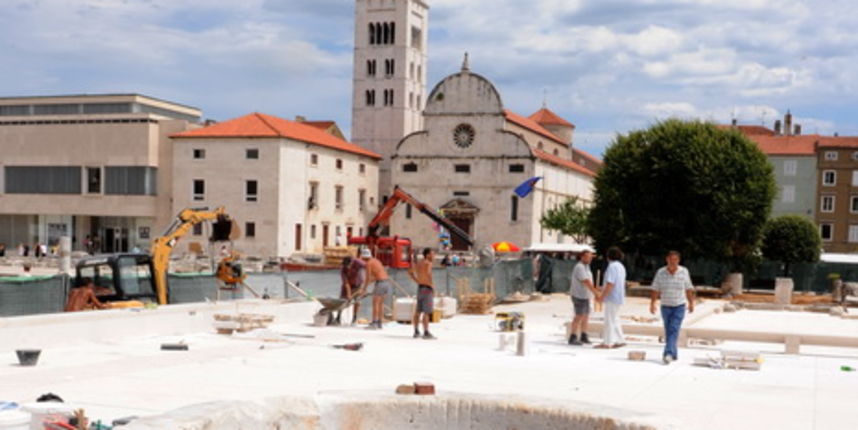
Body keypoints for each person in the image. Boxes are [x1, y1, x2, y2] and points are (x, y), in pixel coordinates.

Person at [650, 250, 696, 364]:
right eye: (671, 259)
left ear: (678, 260)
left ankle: (668, 354)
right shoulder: (660, 272)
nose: (673, 262)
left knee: (674, 329)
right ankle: (674, 353)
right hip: (665, 306)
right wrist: (652, 303)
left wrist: (691, 303)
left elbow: (689, 288)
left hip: (679, 305)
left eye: (675, 259)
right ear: (667, 260)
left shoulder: (684, 271)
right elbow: (655, 289)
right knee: (669, 330)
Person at [595, 247, 627, 349]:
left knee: (609, 320)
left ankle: (607, 342)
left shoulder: (612, 267)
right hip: (619, 296)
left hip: (612, 297)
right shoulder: (621, 267)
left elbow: (610, 283)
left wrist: (602, 296)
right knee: (615, 319)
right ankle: (620, 339)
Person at [568, 250, 599, 345]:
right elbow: (586, 281)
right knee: (579, 316)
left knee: (586, 316)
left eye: (590, 257)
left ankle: (584, 335)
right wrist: (596, 292)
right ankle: (572, 336)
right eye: (588, 257)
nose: (590, 259)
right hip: (579, 295)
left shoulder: (587, 267)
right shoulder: (580, 267)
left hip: (585, 296)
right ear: (582, 257)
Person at [409, 248, 436, 339]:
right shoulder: (428, 263)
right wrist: (431, 285)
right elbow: (428, 273)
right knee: (426, 312)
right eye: (432, 254)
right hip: (427, 288)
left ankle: (416, 331)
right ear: (427, 255)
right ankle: (426, 332)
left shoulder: (419, 263)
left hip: (420, 288)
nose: (434, 256)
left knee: (418, 311)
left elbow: (410, 273)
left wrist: (418, 281)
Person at [362, 248, 391, 329]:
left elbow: (368, 278)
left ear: (364, 257)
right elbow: (377, 275)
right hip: (386, 282)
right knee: (380, 304)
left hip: (380, 283)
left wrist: (364, 289)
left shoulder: (369, 263)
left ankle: (374, 323)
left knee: (375, 303)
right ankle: (379, 322)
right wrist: (368, 283)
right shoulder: (376, 261)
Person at [338, 255, 366, 325]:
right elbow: (346, 283)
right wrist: (349, 294)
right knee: (342, 300)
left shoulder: (358, 262)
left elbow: (368, 267)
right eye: (346, 266)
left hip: (358, 284)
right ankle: (338, 317)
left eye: (348, 265)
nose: (347, 267)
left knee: (357, 302)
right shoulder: (343, 269)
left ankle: (354, 318)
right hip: (348, 285)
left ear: (351, 263)